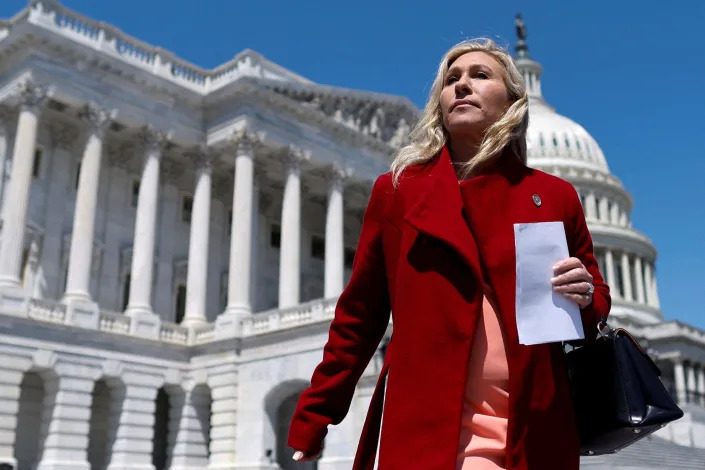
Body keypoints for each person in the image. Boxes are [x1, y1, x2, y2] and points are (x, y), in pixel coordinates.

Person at [287, 38, 611, 470]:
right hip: (431, 426)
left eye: (480, 75)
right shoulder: (398, 192)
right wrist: (317, 413)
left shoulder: (553, 196)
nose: (462, 85)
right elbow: (359, 316)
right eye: (451, 79)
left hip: (530, 427)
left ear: (512, 101)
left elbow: (594, 307)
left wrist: (585, 294)